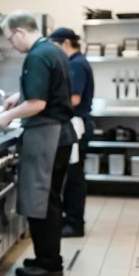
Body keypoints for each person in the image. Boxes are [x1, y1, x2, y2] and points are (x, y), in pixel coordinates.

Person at [0, 12, 76, 276]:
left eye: (10, 40)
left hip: (47, 135)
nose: (12, 46)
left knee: (42, 199)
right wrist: (20, 96)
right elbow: (50, 91)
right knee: (49, 199)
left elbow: (39, 104)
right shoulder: (53, 50)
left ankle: (49, 264)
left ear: (19, 32)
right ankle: (46, 257)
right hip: (59, 134)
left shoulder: (37, 56)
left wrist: (7, 115)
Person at [49, 27, 94, 237]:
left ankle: (75, 223)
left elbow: (74, 99)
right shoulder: (74, 63)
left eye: (56, 46)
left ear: (66, 43)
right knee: (71, 176)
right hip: (73, 124)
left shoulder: (76, 64)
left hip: (76, 125)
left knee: (74, 178)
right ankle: (70, 219)